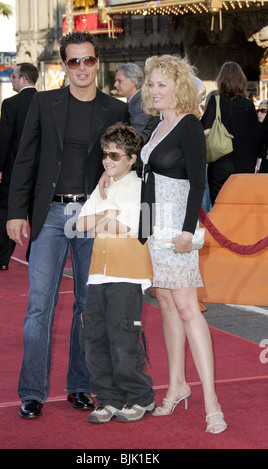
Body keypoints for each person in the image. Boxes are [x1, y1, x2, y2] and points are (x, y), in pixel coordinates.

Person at [6, 31, 129, 419]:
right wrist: (14, 211)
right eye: (73, 61)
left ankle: (80, 385)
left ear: (97, 63)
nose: (81, 68)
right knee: (38, 306)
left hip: (94, 217)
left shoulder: (115, 109)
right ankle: (32, 392)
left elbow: (123, 165)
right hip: (51, 216)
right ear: (63, 65)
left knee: (86, 306)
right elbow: (24, 160)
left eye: (88, 60)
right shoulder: (43, 104)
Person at [139, 54, 227, 434]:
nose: (154, 90)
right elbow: (145, 183)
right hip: (153, 232)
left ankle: (212, 403)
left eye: (162, 84)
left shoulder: (189, 125)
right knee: (167, 306)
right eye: (152, 84)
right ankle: (176, 385)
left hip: (177, 231)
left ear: (179, 88)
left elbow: (197, 182)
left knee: (189, 310)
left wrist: (188, 233)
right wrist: (142, 233)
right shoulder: (157, 126)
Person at [77, 122, 155, 424]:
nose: (108, 161)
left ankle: (140, 397)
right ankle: (108, 398)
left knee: (124, 338)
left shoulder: (140, 187)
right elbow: (81, 225)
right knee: (94, 338)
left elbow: (133, 228)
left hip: (128, 273)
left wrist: (106, 217)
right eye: (105, 155)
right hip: (98, 273)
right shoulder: (102, 186)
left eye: (115, 155)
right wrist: (107, 214)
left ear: (132, 158)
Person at [0, 63, 38, 271]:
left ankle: (2, 258)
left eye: (14, 76)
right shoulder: (47, 102)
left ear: (23, 79)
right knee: (37, 215)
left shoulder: (11, 104)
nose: (12, 80)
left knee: (7, 211)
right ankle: (33, 255)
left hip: (14, 170)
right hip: (40, 170)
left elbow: (5, 137)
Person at [201, 61, 259, 205]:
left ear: (221, 80)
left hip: (222, 162)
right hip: (246, 166)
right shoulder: (249, 104)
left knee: (220, 205)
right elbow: (255, 136)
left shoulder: (217, 100)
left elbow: (205, 131)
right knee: (242, 205)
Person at [114, 63, 159, 142]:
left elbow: (130, 135)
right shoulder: (136, 101)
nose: (115, 84)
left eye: (119, 81)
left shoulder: (142, 103)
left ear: (132, 82)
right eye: (115, 81)